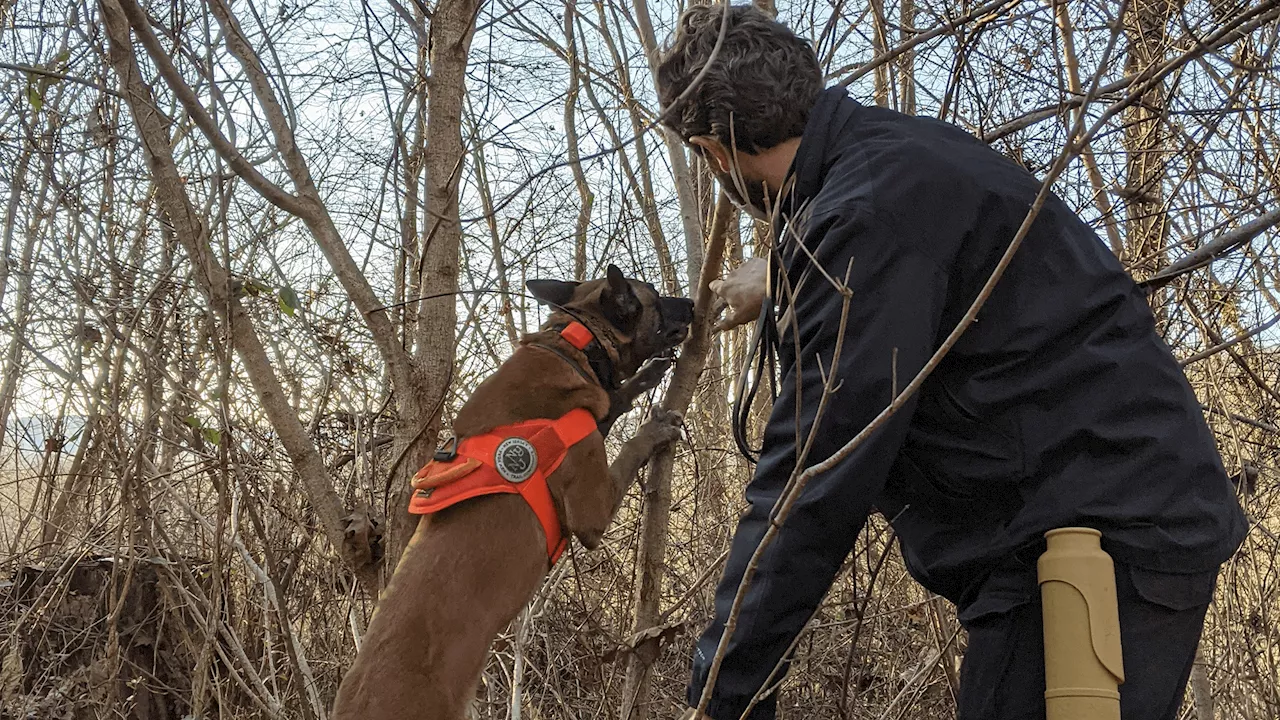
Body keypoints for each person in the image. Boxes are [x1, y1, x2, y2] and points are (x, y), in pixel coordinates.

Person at [654, 5, 1248, 720]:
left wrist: (723, 692)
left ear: (710, 151)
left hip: (1099, 537)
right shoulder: (889, 163)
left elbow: (814, 477)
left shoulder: (864, 218)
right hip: (1075, 518)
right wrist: (781, 270)